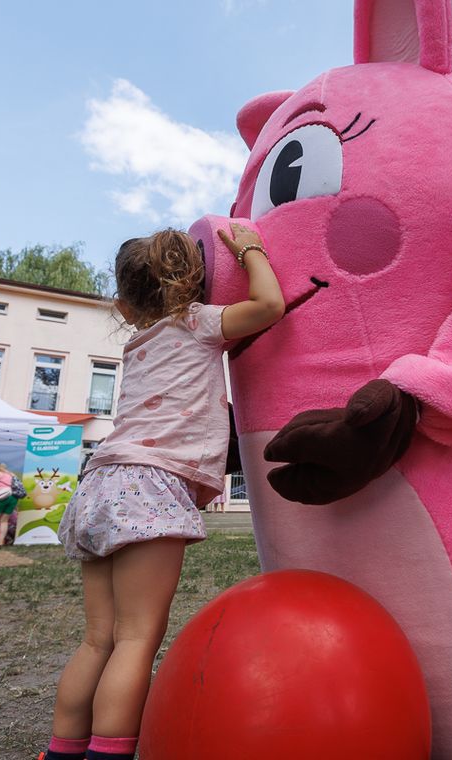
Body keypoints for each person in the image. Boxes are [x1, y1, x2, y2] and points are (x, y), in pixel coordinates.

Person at [39, 224, 284, 760]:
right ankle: (110, 753)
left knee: (97, 639)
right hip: (147, 486)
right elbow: (269, 305)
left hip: (100, 482)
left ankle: (62, 751)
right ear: (190, 285)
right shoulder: (197, 323)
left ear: (125, 306)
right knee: (136, 638)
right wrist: (249, 249)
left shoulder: (138, 342)